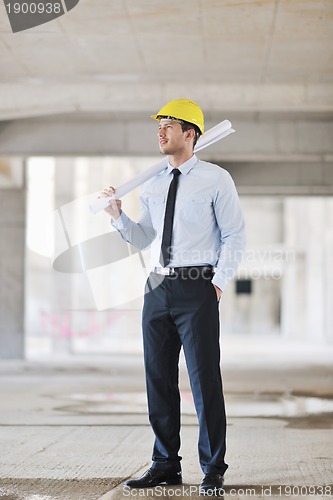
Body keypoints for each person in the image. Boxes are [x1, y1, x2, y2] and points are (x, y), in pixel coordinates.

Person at [101, 99, 245, 496]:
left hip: (197, 287)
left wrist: (217, 282)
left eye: (169, 125)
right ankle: (165, 464)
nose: (161, 131)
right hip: (156, 287)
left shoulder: (216, 179)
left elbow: (234, 234)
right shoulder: (153, 183)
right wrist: (118, 216)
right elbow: (144, 238)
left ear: (190, 133)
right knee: (158, 379)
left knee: (203, 381)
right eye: (159, 126)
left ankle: (212, 468)